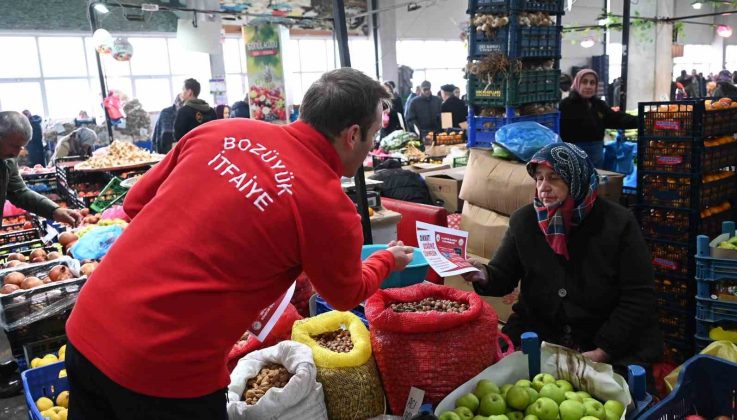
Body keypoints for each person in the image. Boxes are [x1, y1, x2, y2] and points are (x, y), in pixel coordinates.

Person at [64, 68, 415, 420]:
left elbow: (135, 203)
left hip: (88, 323)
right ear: (352, 135)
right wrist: (386, 259)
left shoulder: (222, 130)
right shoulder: (329, 207)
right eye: (372, 136)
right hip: (165, 369)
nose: (371, 145)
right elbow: (345, 294)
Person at [462, 142, 663, 381]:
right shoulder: (524, 221)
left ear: (576, 179)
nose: (543, 187)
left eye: (554, 178)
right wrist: (483, 274)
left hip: (602, 335)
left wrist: (602, 351)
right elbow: (502, 274)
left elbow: (639, 296)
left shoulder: (618, 223)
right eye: (538, 179)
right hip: (540, 331)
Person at [0, 111, 81, 225]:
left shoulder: (8, 160)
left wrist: (54, 210)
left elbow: (19, 192)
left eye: (21, 147)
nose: (17, 153)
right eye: (14, 146)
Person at [559, 69, 637, 169]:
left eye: (592, 83)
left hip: (596, 154)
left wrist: (640, 121)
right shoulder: (566, 105)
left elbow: (616, 118)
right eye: (584, 82)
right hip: (573, 155)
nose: (588, 86)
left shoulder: (599, 105)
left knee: (595, 181)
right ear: (577, 83)